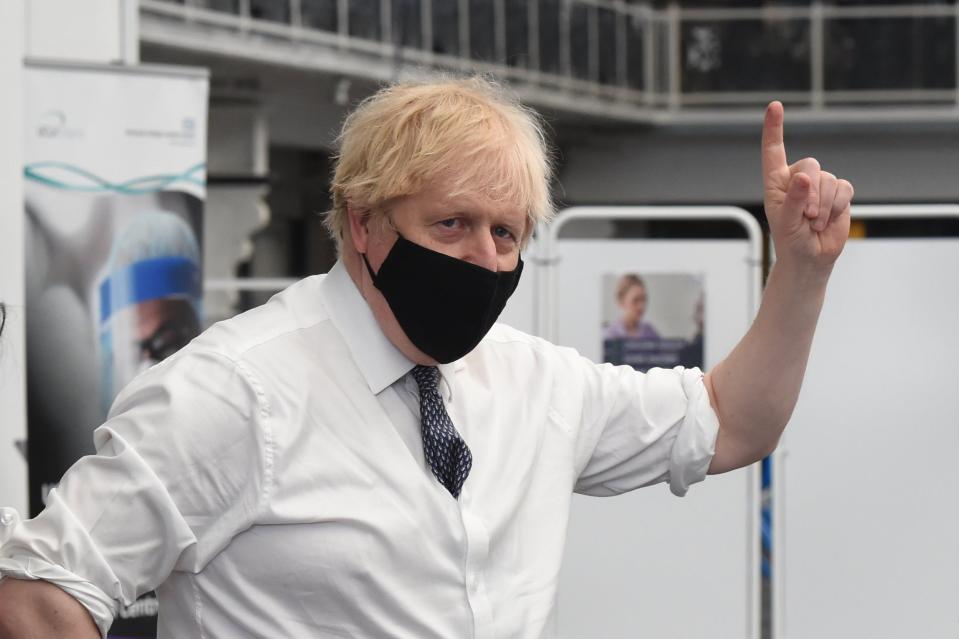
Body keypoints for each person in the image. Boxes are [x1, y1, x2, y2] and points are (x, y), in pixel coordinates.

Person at [0, 76, 854, 638]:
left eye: (505, 232)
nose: (484, 256)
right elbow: (42, 592)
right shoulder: (237, 390)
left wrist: (802, 271)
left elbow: (733, 421)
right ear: (363, 222)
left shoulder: (537, 381)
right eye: (451, 223)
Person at [603, 273, 660, 340]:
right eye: (636, 300)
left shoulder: (649, 331)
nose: (641, 306)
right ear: (621, 301)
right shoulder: (610, 335)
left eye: (644, 299)